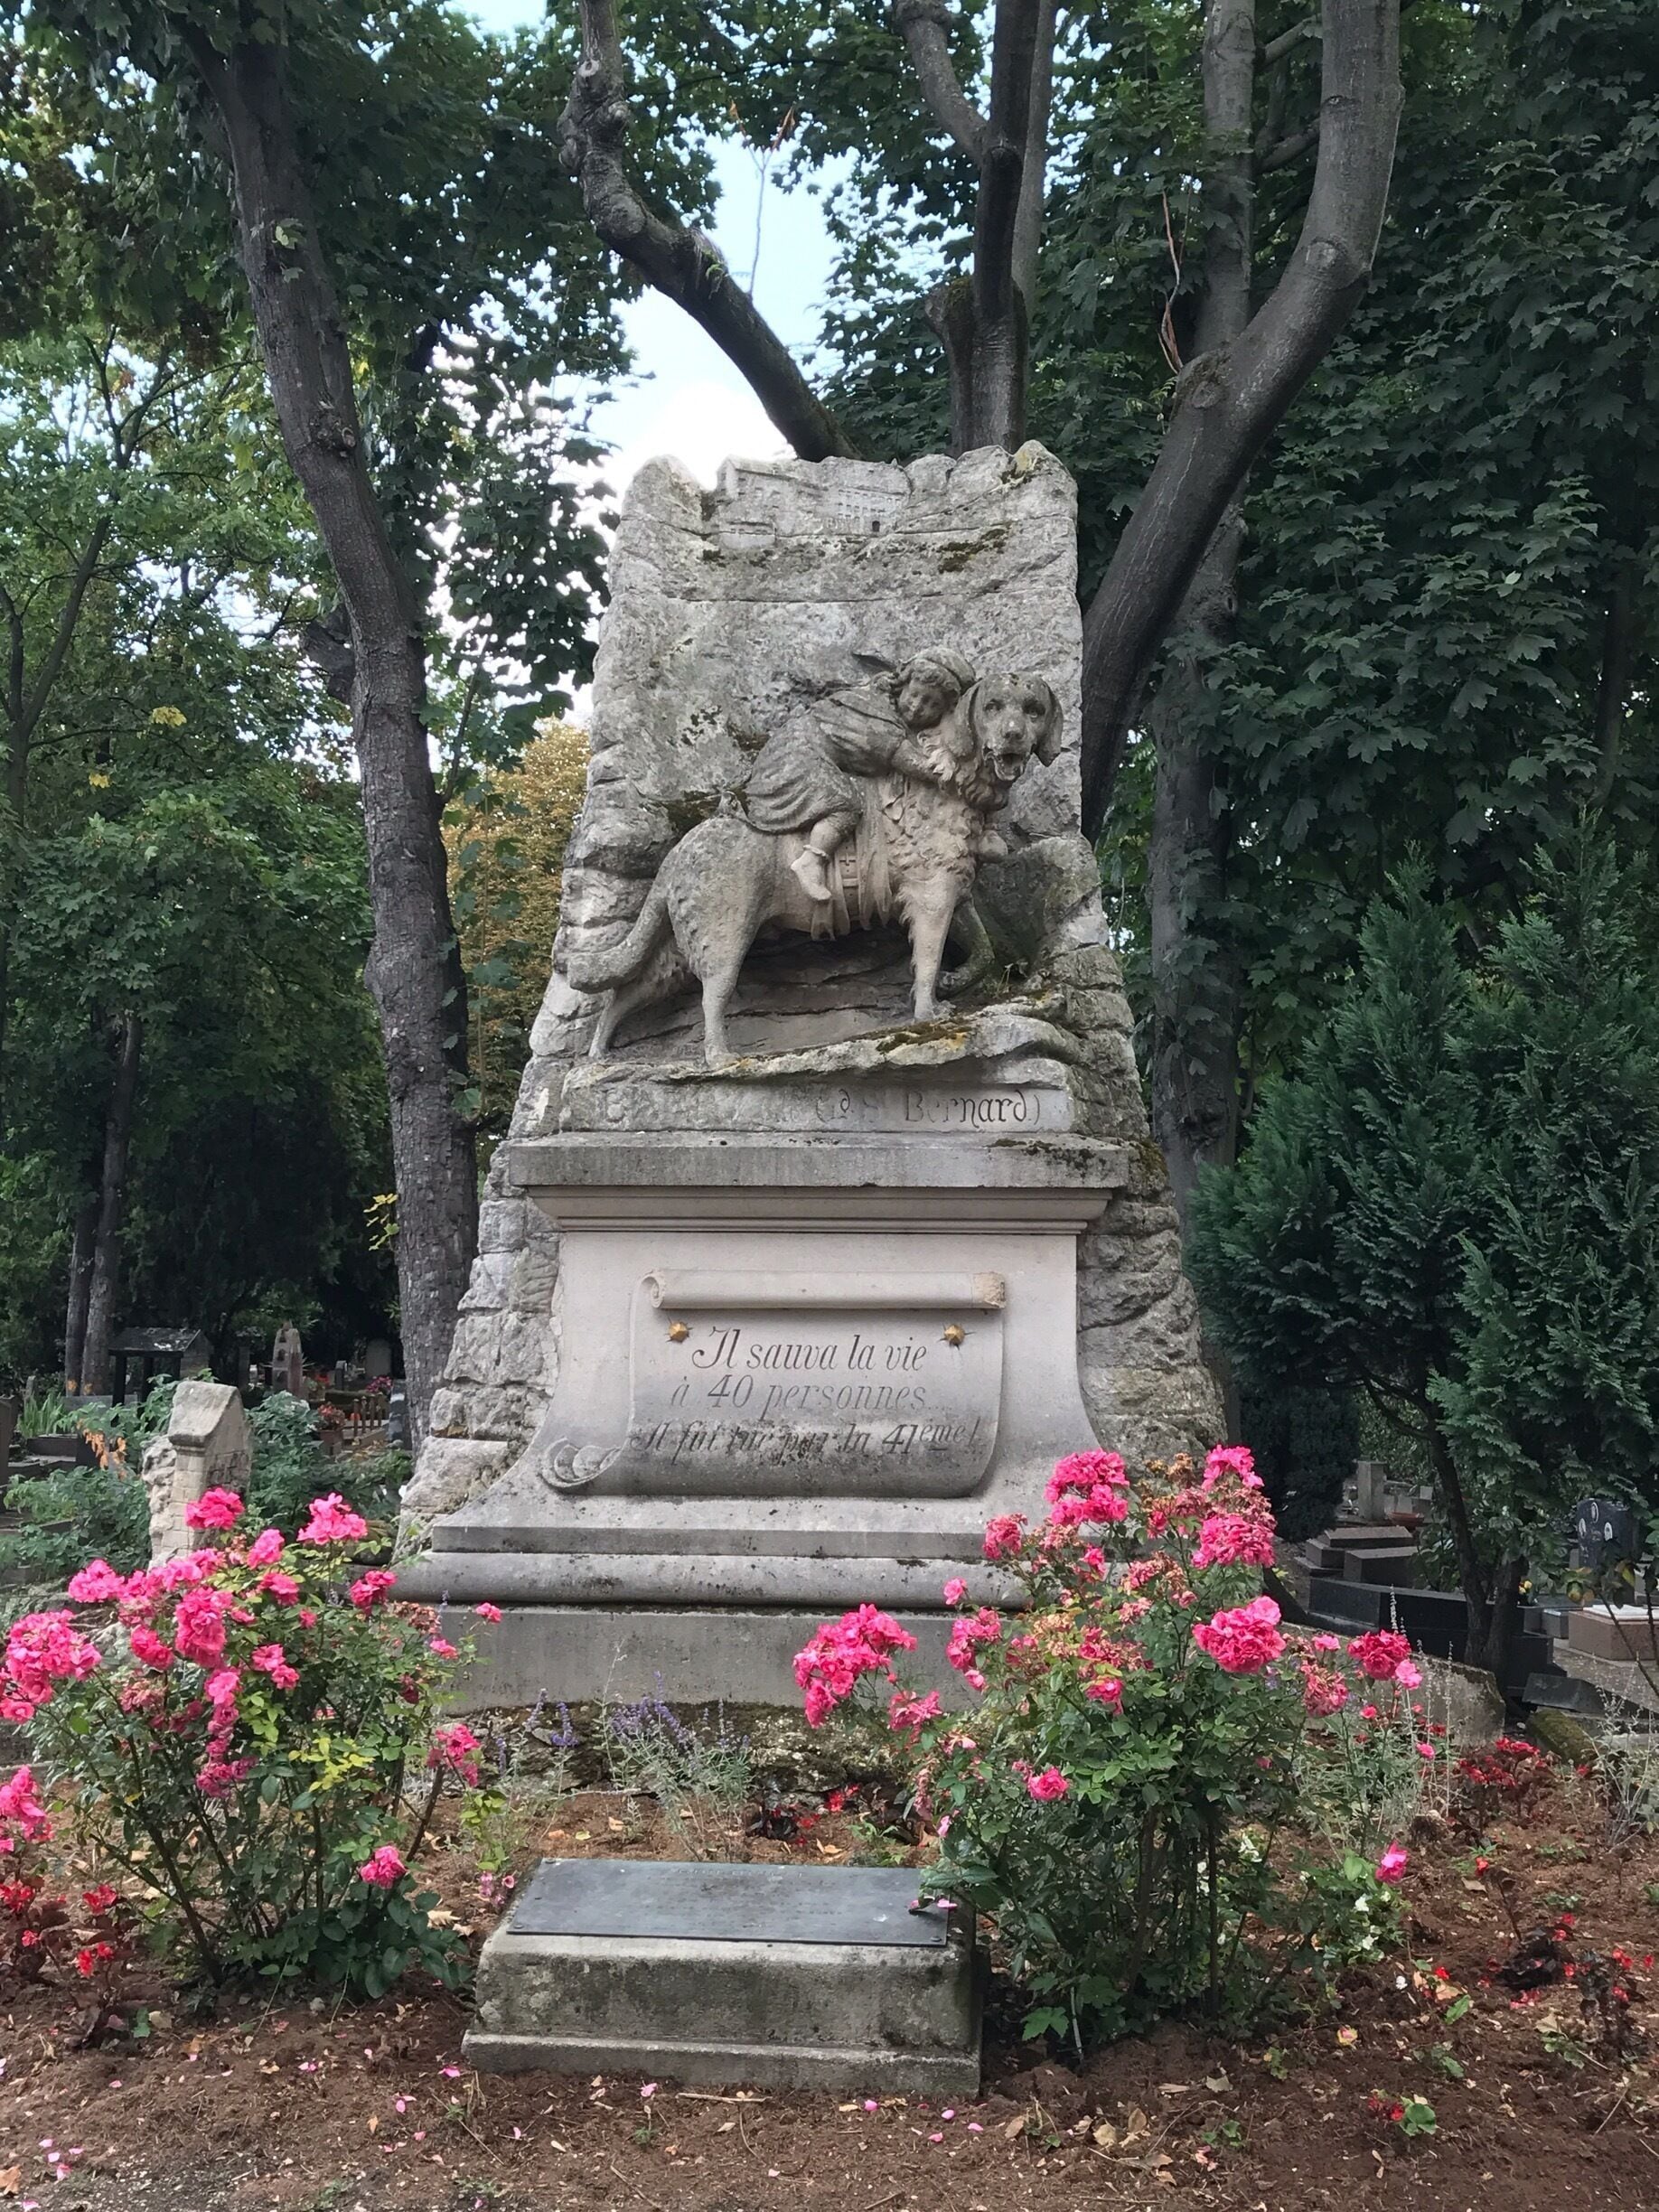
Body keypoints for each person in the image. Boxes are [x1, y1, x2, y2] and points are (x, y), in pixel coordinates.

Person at [740, 649, 978, 903]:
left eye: (932, 705)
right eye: (916, 695)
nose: (918, 707)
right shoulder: (873, 711)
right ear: (902, 685)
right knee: (846, 802)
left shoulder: (890, 714)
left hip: (811, 757)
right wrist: (965, 771)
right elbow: (911, 762)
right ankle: (811, 861)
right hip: (795, 758)